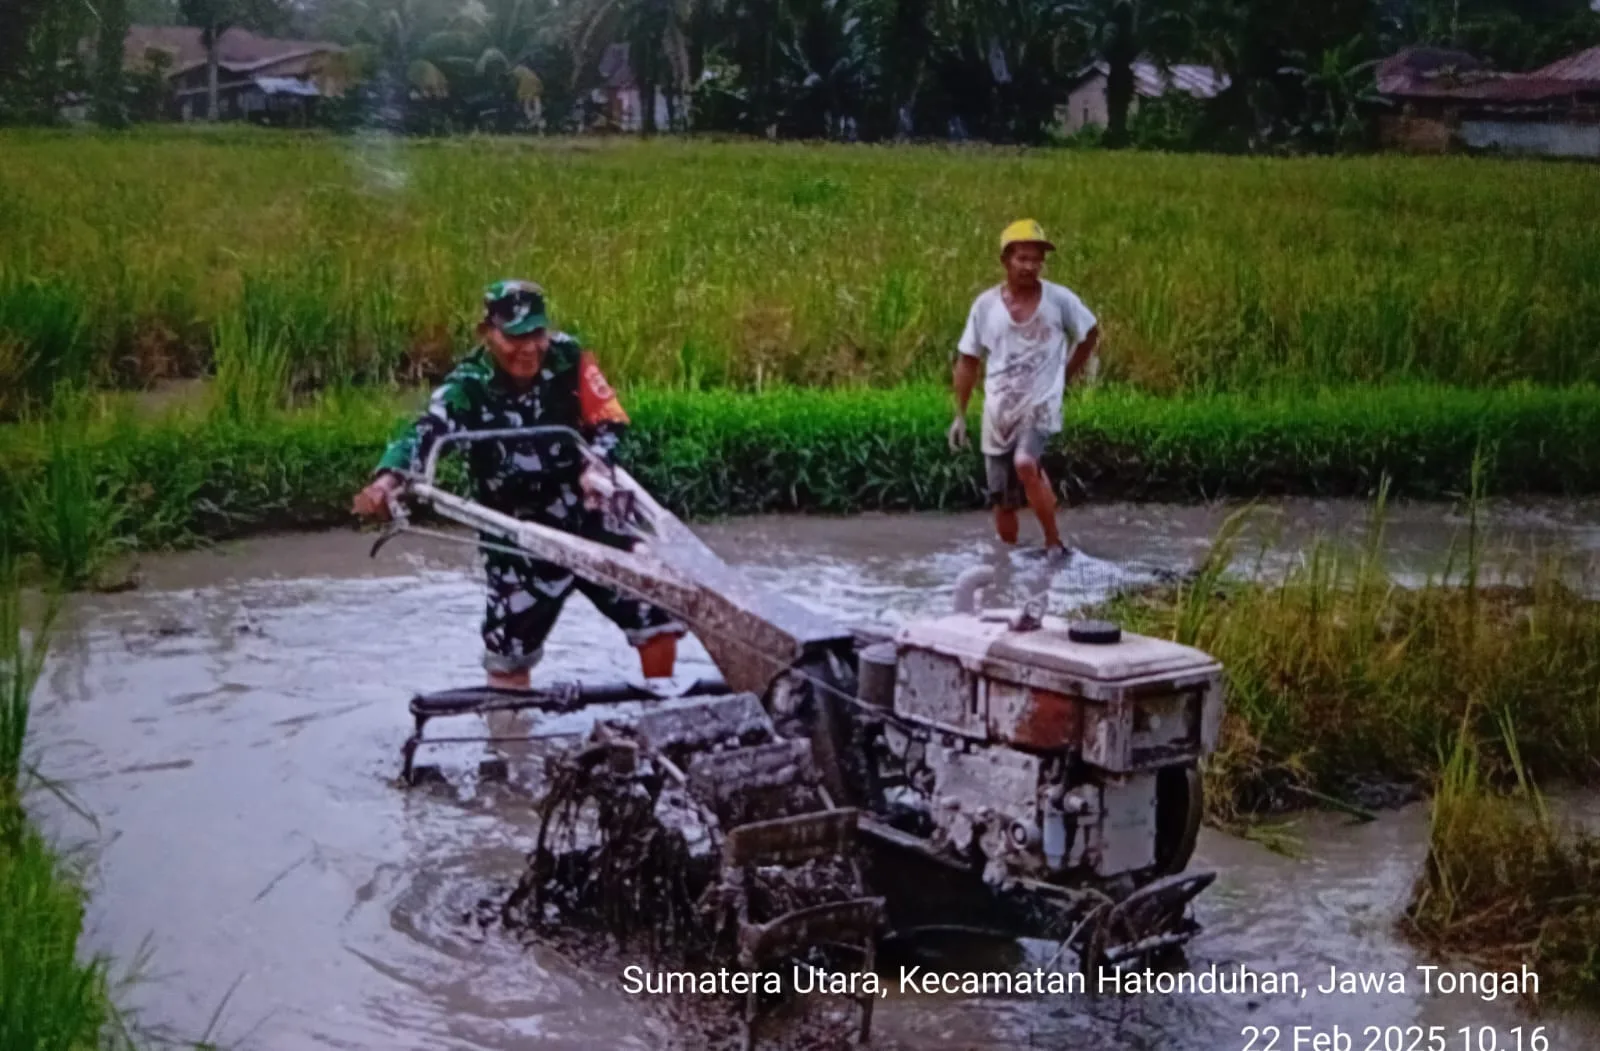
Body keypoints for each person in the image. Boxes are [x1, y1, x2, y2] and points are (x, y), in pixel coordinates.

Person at [351, 279, 687, 688]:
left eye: (536, 334)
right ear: (487, 333)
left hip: (586, 511)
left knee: (656, 612)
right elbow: (424, 431)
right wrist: (389, 480)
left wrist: (595, 464)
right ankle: (510, 743)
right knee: (509, 656)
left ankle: (663, 705)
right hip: (516, 532)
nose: (529, 348)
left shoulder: (569, 356)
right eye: (515, 336)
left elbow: (609, 418)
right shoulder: (467, 385)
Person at [947, 219, 1100, 559]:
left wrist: (1066, 374)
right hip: (999, 409)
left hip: (1040, 403)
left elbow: (1090, 332)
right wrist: (959, 415)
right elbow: (968, 359)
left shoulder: (1059, 300)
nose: (1031, 266)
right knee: (1001, 500)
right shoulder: (985, 306)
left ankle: (1053, 544)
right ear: (1006, 260)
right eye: (1023, 259)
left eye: (1037, 260)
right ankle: (1007, 561)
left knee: (1026, 463)